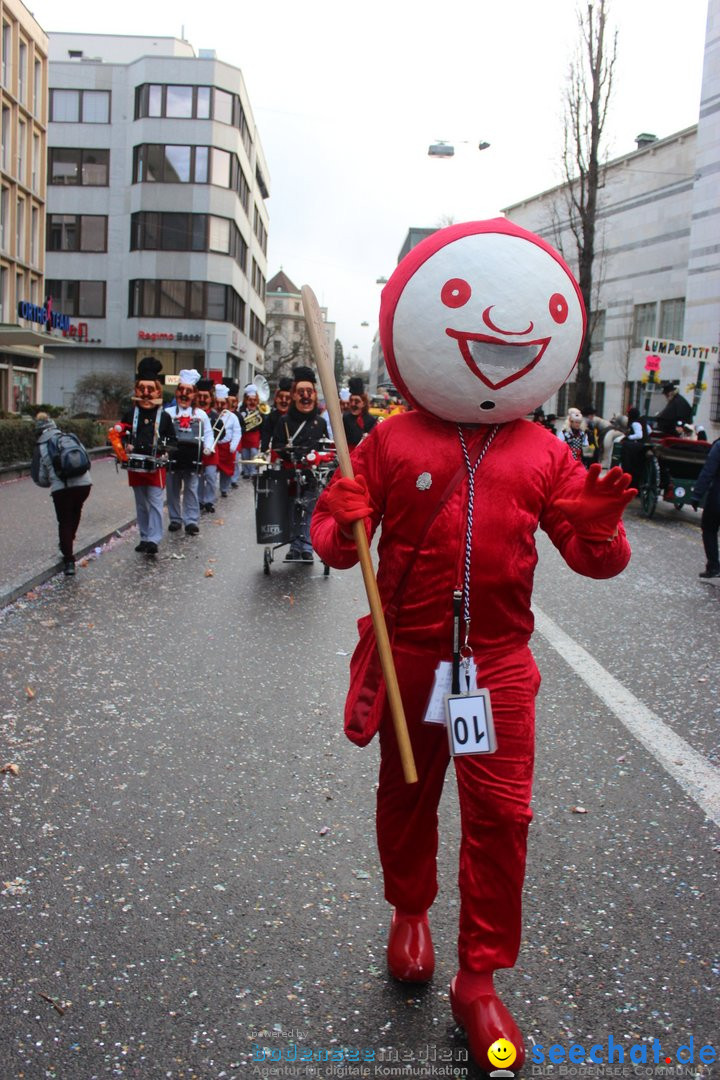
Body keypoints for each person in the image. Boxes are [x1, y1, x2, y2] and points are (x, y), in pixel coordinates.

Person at [311, 219, 634, 1075]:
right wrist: (341, 521)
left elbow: (596, 562)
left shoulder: (546, 452)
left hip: (492, 669)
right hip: (410, 652)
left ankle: (479, 976)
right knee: (408, 794)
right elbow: (339, 548)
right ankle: (409, 909)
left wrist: (601, 527)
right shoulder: (386, 440)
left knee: (503, 819)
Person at [265, 365, 329, 562]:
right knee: (292, 508)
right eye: (301, 392)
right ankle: (294, 545)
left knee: (310, 508)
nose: (306, 396)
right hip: (290, 473)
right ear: (293, 395)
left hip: (312, 475)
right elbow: (276, 445)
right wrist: (287, 453)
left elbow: (326, 447)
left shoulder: (321, 422)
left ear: (315, 394)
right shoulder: (284, 421)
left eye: (309, 392)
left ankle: (307, 546)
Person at [119, 357, 175, 556]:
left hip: (155, 466)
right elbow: (119, 434)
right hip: (135, 464)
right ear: (136, 390)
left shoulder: (165, 416)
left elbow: (172, 441)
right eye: (142, 388)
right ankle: (144, 537)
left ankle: (154, 539)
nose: (146, 393)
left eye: (150, 389)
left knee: (155, 502)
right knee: (141, 504)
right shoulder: (129, 413)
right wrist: (125, 445)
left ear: (158, 391)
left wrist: (162, 447)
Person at [32, 413, 92, 576]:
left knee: (64, 521)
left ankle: (69, 560)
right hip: (84, 484)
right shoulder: (69, 437)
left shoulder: (41, 446)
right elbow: (87, 459)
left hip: (62, 488)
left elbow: (40, 478)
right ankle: (68, 541)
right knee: (76, 511)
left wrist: (52, 479)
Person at [164, 369, 214, 535]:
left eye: (189, 392)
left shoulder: (201, 415)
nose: (184, 395)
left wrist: (208, 446)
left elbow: (208, 432)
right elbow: (161, 432)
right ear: (177, 392)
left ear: (194, 395)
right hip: (173, 456)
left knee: (192, 489)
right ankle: (175, 519)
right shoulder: (168, 413)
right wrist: (162, 449)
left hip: (193, 457)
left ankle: (191, 520)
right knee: (172, 489)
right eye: (181, 391)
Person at [691, 437, 720, 578]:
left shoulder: (719, 446)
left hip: (717, 499)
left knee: (709, 529)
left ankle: (713, 565)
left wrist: (697, 495)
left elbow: (708, 471)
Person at [195, 378, 222, 513]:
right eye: (199, 397)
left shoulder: (215, 416)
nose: (202, 400)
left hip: (211, 452)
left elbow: (222, 434)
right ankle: (199, 501)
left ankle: (209, 500)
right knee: (198, 478)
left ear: (211, 399)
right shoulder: (193, 414)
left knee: (211, 476)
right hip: (196, 451)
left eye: (205, 397)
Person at [214, 383, 242, 498]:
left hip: (227, 447)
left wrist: (233, 445)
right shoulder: (211, 415)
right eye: (218, 403)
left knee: (226, 472)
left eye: (223, 403)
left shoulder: (233, 417)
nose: (220, 406)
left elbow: (237, 432)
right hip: (214, 447)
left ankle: (224, 489)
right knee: (211, 472)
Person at [343, 376, 379, 448]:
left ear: (364, 403)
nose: (353, 404)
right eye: (351, 400)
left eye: (356, 401)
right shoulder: (345, 418)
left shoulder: (371, 420)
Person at [238, 383, 264, 479]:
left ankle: (253, 471)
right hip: (245, 435)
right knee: (245, 454)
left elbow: (262, 423)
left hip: (255, 435)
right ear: (246, 400)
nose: (252, 402)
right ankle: (246, 471)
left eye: (254, 400)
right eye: (250, 400)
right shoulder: (242, 410)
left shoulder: (259, 410)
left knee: (253, 453)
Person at [619, 406, 649, 488]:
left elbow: (639, 435)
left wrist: (629, 437)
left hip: (637, 446)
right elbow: (649, 431)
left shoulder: (635, 423)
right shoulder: (643, 421)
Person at [261, 377, 293, 451]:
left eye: (287, 398)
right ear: (276, 398)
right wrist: (263, 451)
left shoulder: (295, 417)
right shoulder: (271, 417)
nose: (284, 401)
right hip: (275, 452)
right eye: (281, 397)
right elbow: (266, 435)